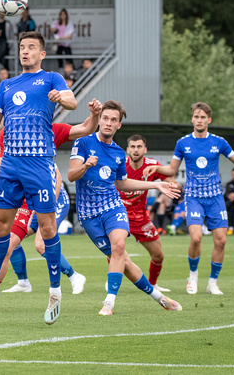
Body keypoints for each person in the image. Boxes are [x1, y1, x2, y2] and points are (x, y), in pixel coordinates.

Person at [0, 31, 77, 324]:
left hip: (38, 163)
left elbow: (72, 102)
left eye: (31, 48)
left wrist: (60, 97)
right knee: (1, 224)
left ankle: (54, 291)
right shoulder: (6, 85)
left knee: (48, 228)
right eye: (22, 48)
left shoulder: (51, 79)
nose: (25, 52)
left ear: (42, 54)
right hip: (10, 163)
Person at [0, 111, 101, 314]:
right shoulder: (7, 132)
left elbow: (83, 133)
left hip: (28, 199)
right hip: (1, 192)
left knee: (10, 247)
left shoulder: (50, 130)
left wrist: (95, 114)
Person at [68, 100, 182, 316]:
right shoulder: (83, 143)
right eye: (105, 118)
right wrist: (86, 165)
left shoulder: (119, 153)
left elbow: (122, 184)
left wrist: (155, 184)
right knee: (124, 261)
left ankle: (109, 303)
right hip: (88, 215)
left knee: (119, 247)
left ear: (119, 125)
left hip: (113, 206)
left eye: (113, 120)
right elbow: (71, 176)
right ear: (99, 120)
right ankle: (159, 297)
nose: (108, 123)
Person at [144, 102, 234, 295]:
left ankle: (212, 283)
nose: (199, 120)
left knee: (221, 241)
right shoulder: (183, 143)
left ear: (209, 120)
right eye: (196, 117)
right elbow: (172, 170)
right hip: (193, 197)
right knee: (196, 238)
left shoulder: (219, 142)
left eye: (203, 117)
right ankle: (192, 277)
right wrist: (157, 168)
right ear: (192, 119)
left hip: (215, 198)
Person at [119, 134, 179, 292]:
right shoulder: (120, 165)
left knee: (158, 255)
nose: (136, 150)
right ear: (127, 150)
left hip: (140, 217)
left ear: (145, 150)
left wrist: (172, 185)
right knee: (115, 251)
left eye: (139, 147)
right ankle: (113, 280)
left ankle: (153, 284)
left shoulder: (152, 166)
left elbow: (174, 184)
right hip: (119, 215)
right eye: (132, 147)